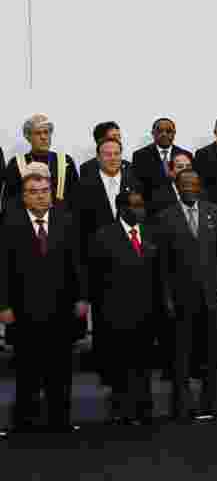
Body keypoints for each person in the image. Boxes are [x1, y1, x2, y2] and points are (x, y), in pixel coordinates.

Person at [0, 163, 88, 437]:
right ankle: (24, 425)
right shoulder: (9, 222)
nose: (40, 196)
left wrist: (83, 298)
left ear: (51, 192)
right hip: (23, 310)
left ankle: (59, 422)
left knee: (60, 369)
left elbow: (79, 264)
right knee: (27, 369)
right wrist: (3, 306)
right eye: (33, 192)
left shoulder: (66, 219)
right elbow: (2, 267)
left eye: (44, 191)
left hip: (61, 308)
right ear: (24, 196)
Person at [157, 169, 217, 422]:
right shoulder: (165, 216)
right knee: (182, 354)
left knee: (213, 353)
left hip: (212, 295)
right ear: (177, 187)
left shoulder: (214, 211)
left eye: (194, 183)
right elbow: (163, 263)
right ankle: (183, 407)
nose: (190, 187)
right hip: (180, 297)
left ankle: (215, 405)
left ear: (200, 186)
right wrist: (166, 296)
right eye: (185, 183)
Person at [88, 190, 159, 425]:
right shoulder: (103, 235)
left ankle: (144, 408)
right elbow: (96, 279)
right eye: (135, 205)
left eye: (142, 205)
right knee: (122, 363)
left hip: (147, 311)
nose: (140, 209)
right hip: (116, 312)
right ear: (121, 208)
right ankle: (123, 409)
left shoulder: (151, 232)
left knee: (143, 362)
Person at [74, 137, 138, 384]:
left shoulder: (134, 181)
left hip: (131, 260)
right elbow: (80, 228)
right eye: (107, 154)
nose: (112, 158)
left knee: (131, 317)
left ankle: (131, 371)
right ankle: (108, 372)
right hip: (99, 262)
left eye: (116, 153)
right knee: (104, 318)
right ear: (99, 157)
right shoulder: (85, 185)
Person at [4, 114, 80, 213]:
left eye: (46, 132)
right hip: (27, 222)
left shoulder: (66, 161)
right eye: (38, 133)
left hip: (62, 222)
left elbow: (77, 198)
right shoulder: (16, 163)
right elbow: (9, 201)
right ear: (28, 137)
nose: (43, 137)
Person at [131, 117, 190, 208]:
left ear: (174, 133)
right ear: (153, 133)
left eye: (169, 131)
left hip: (181, 209)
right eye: (159, 131)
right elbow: (138, 187)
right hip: (152, 208)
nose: (164, 134)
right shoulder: (140, 156)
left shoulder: (186, 155)